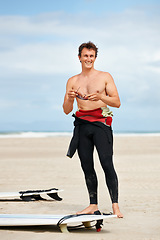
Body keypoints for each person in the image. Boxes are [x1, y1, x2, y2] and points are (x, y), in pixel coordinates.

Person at [63, 41, 123, 218]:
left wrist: (100, 96)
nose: (88, 59)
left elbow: (117, 102)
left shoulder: (105, 77)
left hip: (101, 124)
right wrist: (69, 97)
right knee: (86, 165)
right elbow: (67, 110)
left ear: (95, 58)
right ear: (79, 57)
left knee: (106, 163)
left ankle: (115, 206)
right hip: (82, 125)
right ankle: (92, 205)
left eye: (91, 56)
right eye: (85, 56)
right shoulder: (72, 81)